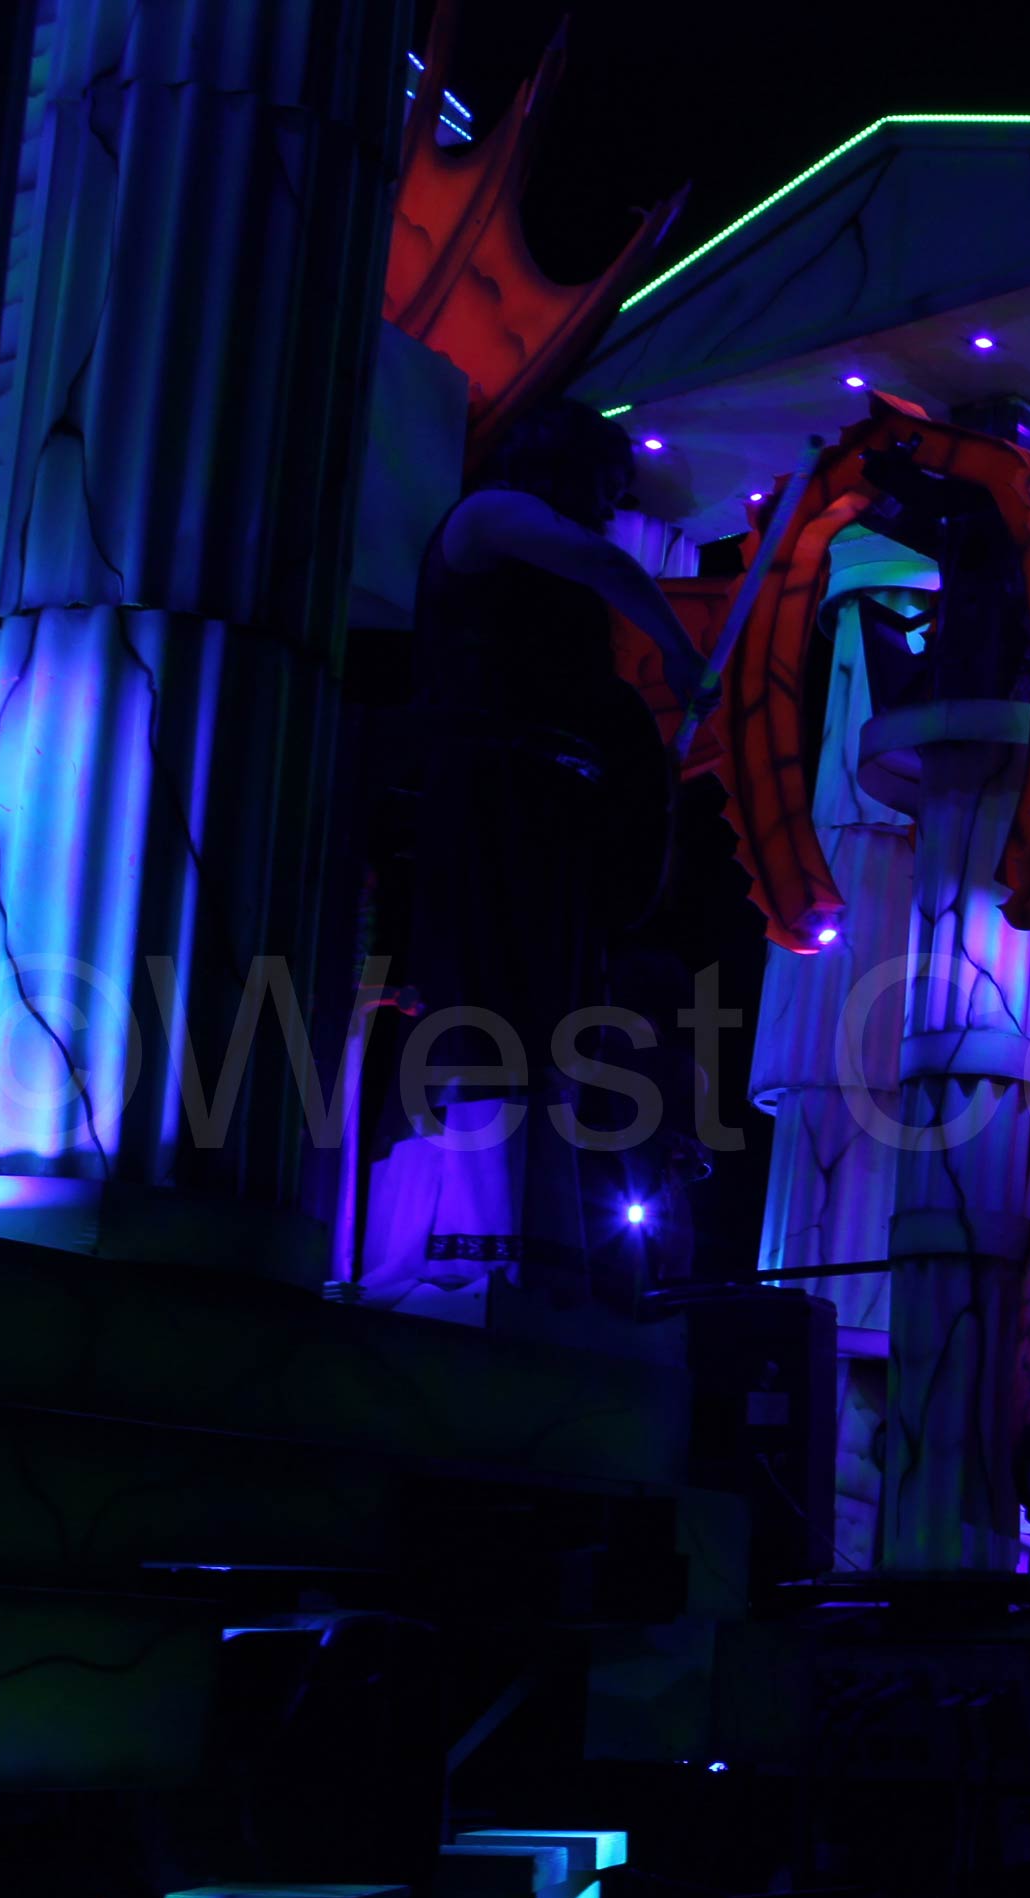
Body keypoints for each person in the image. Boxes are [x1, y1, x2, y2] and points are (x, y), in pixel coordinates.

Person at [376, 399, 710, 1314]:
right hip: (493, 792)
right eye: (603, 486)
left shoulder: (540, 552)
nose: (608, 508)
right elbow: (604, 562)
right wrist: (678, 651)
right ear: (562, 467)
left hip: (548, 806)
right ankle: (478, 1236)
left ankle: (530, 1235)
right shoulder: (491, 515)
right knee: (491, 1002)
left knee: (542, 1016)